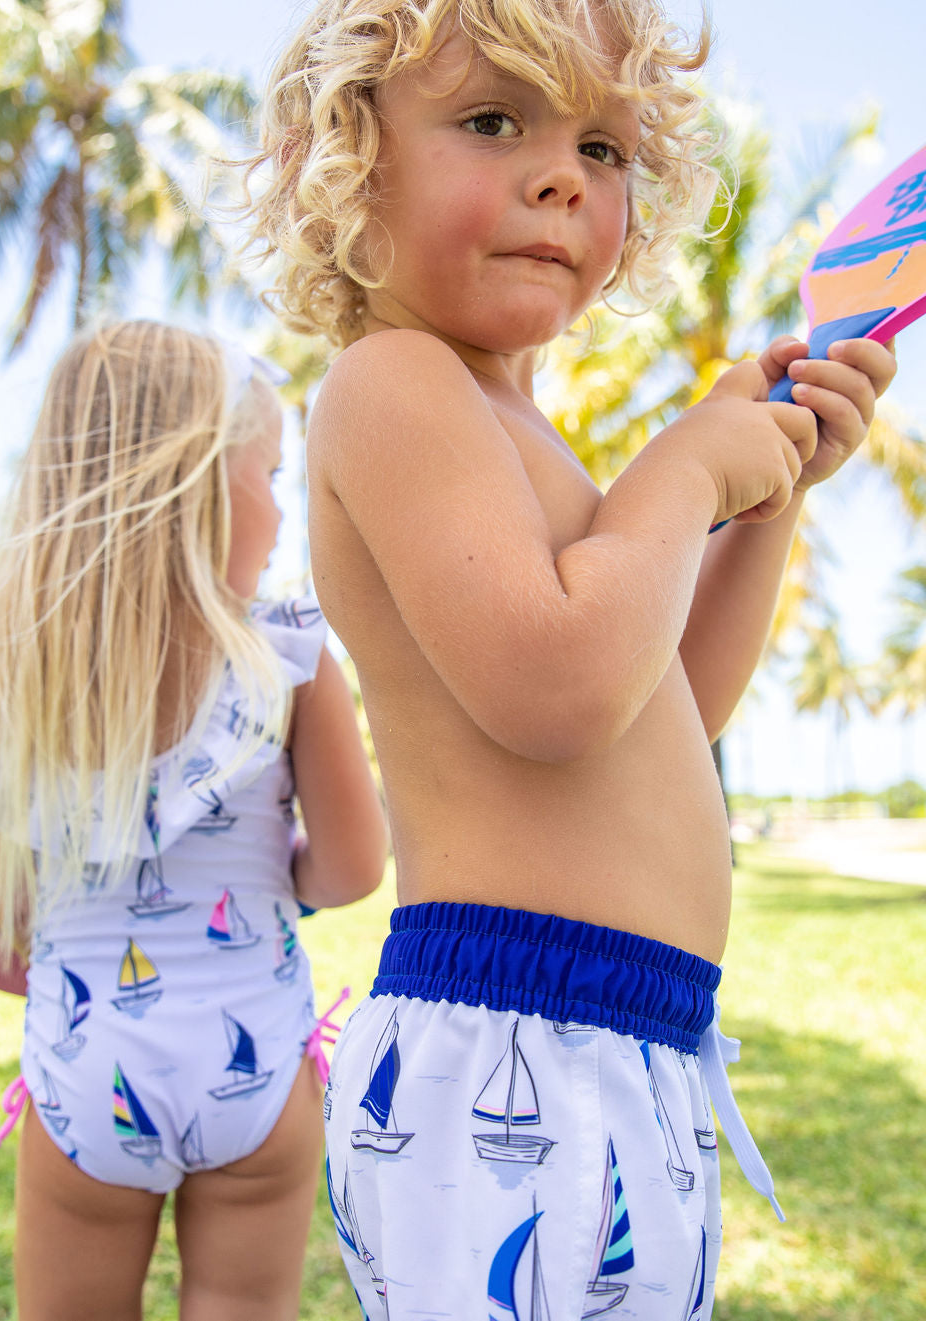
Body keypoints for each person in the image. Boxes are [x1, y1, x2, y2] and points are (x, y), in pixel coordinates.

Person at [241, 1, 897, 1317]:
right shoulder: (395, 384)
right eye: (494, 121)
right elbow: (559, 688)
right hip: (512, 1042)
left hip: (626, 1031)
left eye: (603, 149)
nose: (562, 177)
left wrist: (766, 501)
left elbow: (666, 705)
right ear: (348, 165)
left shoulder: (514, 431)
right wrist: (686, 467)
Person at [0, 319, 388, 1321]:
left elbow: (17, 893)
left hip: (86, 1063)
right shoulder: (289, 660)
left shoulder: (18, 672)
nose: (282, 507)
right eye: (271, 474)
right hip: (253, 1062)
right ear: (201, 485)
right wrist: (285, 876)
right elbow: (355, 866)